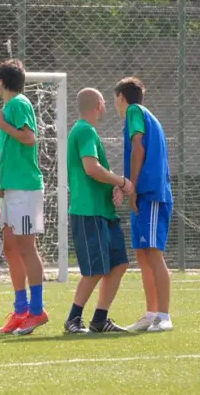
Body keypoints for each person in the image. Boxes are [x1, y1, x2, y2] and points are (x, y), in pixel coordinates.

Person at [64, 88, 133, 333]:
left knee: (119, 264)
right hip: (88, 210)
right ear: (98, 105)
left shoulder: (89, 131)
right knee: (94, 270)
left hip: (103, 211)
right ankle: (73, 319)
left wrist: (115, 186)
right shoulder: (83, 130)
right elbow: (91, 168)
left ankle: (100, 319)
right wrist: (122, 182)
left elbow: (98, 171)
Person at [0, 59, 47, 335]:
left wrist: (2, 123)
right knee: (10, 248)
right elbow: (10, 148)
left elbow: (29, 138)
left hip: (25, 187)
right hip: (12, 188)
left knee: (26, 248)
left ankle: (37, 311)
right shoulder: (9, 107)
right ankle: (21, 308)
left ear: (2, 82)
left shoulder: (18, 104)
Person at [113, 77, 174, 332]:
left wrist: (133, 185)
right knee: (142, 253)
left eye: (115, 99)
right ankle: (151, 314)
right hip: (142, 192)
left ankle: (164, 316)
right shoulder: (144, 116)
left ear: (121, 98)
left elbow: (138, 148)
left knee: (153, 253)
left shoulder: (135, 112)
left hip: (150, 192)